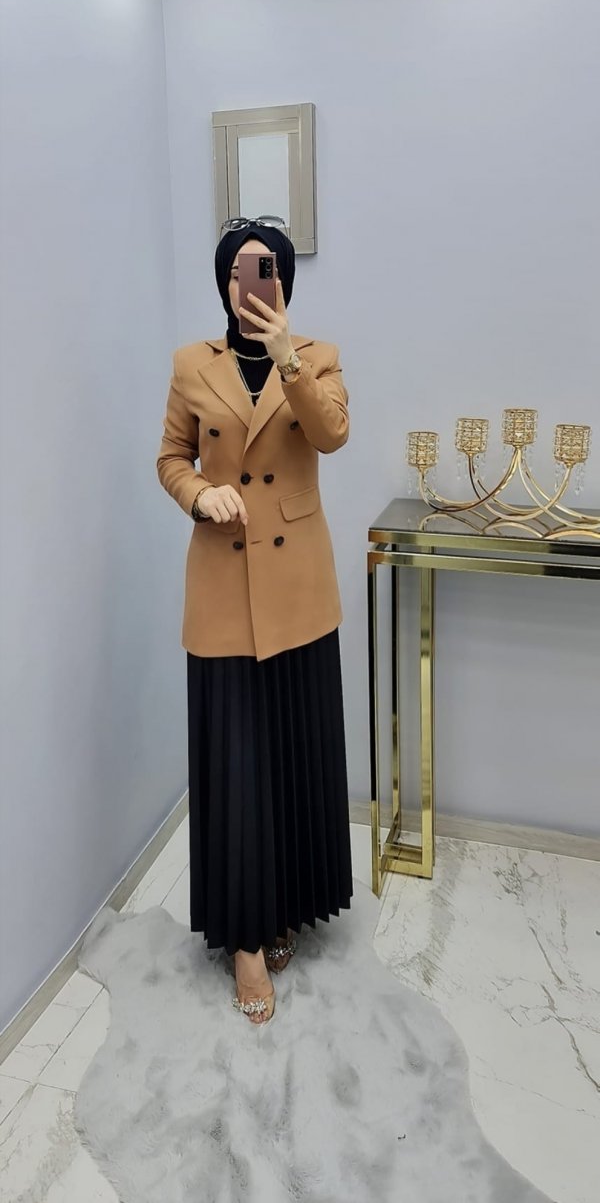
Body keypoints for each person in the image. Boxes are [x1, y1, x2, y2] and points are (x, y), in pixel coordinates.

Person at [157, 217, 353, 1024]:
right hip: (223, 590)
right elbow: (170, 457)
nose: (252, 283)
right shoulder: (190, 364)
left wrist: (285, 356)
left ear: (284, 282)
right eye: (240, 271)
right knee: (237, 765)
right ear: (223, 283)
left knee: (293, 752)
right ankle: (243, 937)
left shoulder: (319, 356)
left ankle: (287, 907)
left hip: (299, 591)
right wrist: (198, 493)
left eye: (266, 269)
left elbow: (332, 434)